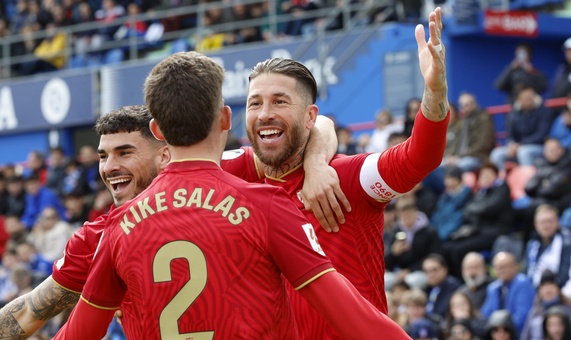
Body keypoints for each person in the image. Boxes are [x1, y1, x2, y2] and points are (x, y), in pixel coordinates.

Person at [54, 52, 409, 339]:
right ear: (226, 119)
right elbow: (354, 317)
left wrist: (316, 159)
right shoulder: (265, 205)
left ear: (157, 130)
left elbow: (79, 332)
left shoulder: (119, 225)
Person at [0, 107, 342, 335]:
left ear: (165, 154)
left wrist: (314, 166)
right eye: (104, 156)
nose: (109, 167)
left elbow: (318, 126)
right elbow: (30, 311)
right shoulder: (98, 236)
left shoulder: (221, 173)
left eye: (125, 153)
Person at [237, 7, 449, 338]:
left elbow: (418, 158)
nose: (264, 114)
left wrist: (435, 93)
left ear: (309, 116)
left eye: (280, 102)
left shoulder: (349, 179)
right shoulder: (233, 181)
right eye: (254, 103)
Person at [481, 252, 536, 334]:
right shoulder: (493, 288)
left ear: (515, 266)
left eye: (504, 267)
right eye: (498, 268)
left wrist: (503, 332)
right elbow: (485, 316)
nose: (501, 271)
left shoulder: (523, 284)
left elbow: (522, 317)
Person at [519, 269, 571, 340]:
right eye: (544, 286)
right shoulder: (534, 312)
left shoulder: (569, 310)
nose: (548, 290)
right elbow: (525, 336)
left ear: (558, 289)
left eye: (551, 285)